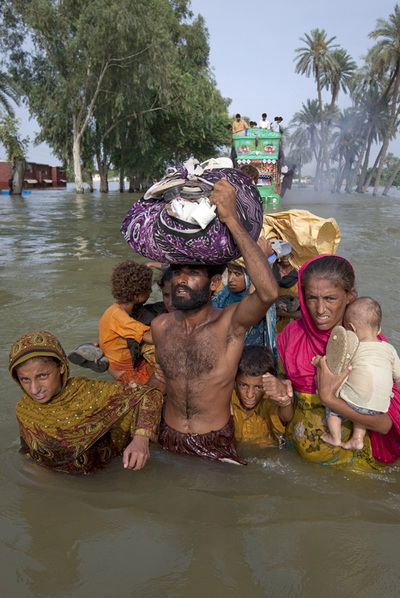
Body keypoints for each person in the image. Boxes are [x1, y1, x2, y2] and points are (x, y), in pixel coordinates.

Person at [150, 178, 280, 464]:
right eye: (178, 271)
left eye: (193, 272)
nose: (181, 279)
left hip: (215, 444)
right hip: (167, 438)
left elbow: (269, 293)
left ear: (214, 283)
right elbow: (160, 382)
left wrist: (232, 220)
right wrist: (139, 431)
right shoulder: (161, 326)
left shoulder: (229, 325)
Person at [263, 254, 400, 469]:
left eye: (330, 299)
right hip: (298, 463)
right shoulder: (291, 335)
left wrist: (330, 400)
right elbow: (284, 385)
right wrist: (281, 387)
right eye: (311, 298)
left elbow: (384, 425)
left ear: (350, 297)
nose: (319, 310)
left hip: (354, 471)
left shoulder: (369, 347)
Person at [9, 331, 163, 474]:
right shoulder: (24, 409)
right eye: (25, 379)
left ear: (61, 367)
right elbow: (29, 452)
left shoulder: (87, 391)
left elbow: (149, 395)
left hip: (107, 479)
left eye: (42, 376)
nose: (34, 389)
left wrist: (140, 439)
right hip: (60, 484)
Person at [314, 297, 400, 451]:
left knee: (334, 408)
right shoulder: (389, 349)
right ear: (379, 329)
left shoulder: (354, 348)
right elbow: (398, 374)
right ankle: (357, 439)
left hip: (354, 403)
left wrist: (319, 362)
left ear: (352, 329)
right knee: (365, 403)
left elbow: (337, 367)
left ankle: (334, 437)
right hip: (380, 407)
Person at [98, 259, 154, 384]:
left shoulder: (116, 310)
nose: (151, 292)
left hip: (125, 359)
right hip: (124, 370)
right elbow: (150, 337)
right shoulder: (119, 317)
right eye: (149, 289)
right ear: (136, 295)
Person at [212, 260, 277, 361]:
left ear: (250, 276)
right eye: (229, 272)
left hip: (252, 357)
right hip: (224, 355)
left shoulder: (261, 298)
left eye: (237, 274)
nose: (231, 279)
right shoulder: (223, 294)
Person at [231, 345, 293, 447]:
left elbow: (286, 417)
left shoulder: (269, 402)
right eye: (243, 385)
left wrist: (285, 401)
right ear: (235, 381)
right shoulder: (230, 398)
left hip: (266, 455)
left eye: (258, 387)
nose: (250, 395)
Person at [272, 253, 301, 334]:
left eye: (289, 253)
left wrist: (285, 314)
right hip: (267, 323)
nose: (285, 256)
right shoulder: (269, 269)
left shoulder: (300, 274)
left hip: (291, 329)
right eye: (283, 252)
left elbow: (305, 312)